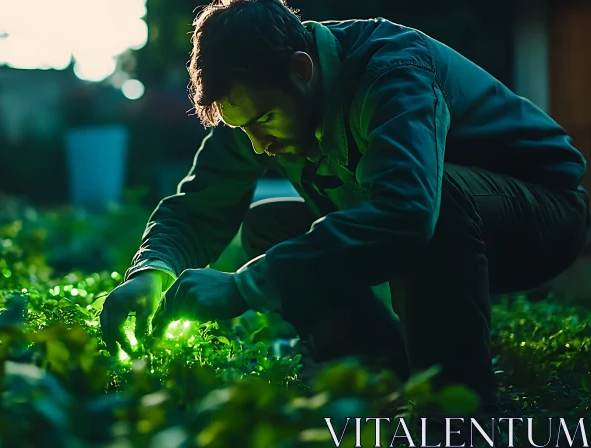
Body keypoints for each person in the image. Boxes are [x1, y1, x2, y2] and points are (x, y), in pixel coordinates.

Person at [99, 0, 589, 423]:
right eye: (243, 128)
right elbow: (195, 208)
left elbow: (407, 213)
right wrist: (152, 271)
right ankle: (379, 379)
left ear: (301, 70)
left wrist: (242, 286)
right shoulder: (253, 97)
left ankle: (455, 412)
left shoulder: (390, 70)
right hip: (437, 217)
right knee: (271, 227)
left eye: (265, 120)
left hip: (540, 214)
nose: (260, 146)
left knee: (429, 200)